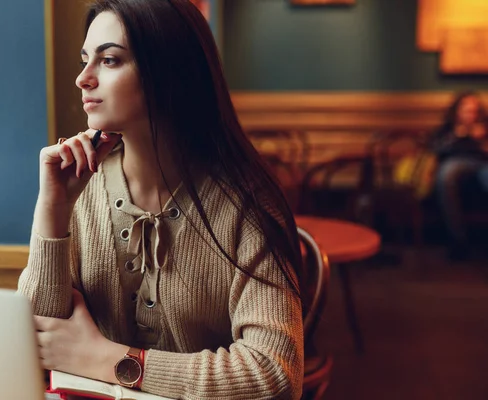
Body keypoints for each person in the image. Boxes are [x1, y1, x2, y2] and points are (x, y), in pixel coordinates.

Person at [17, 1, 305, 399]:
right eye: (86, 60)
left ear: (169, 73)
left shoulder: (247, 207)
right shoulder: (80, 190)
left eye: (110, 60)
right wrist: (53, 210)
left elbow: (273, 375)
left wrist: (109, 360)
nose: (83, 78)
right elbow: (37, 342)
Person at [429, 91, 488, 260]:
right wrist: (458, 135)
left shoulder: (484, 126)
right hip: (456, 163)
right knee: (446, 174)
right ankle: (459, 240)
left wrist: (482, 142)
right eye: (467, 110)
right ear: (457, 111)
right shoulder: (448, 129)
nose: (471, 114)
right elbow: (435, 149)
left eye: (474, 110)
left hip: (482, 164)